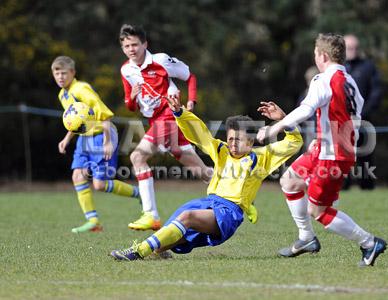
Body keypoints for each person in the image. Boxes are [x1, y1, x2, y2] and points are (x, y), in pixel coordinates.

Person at [109, 93, 303, 260]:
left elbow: (294, 142)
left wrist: (283, 119)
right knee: (164, 240)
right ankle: (157, 251)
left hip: (229, 212)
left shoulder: (261, 158)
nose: (233, 144)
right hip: (208, 203)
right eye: (230, 139)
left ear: (251, 141)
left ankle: (137, 252)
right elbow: (200, 134)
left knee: (187, 216)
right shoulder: (222, 150)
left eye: (239, 140)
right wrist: (180, 113)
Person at [257, 33, 386, 267]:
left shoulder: (323, 79)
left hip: (332, 154)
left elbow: (306, 109)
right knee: (289, 181)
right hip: (332, 148)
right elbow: (354, 113)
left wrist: (273, 128)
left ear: (323, 56)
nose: (315, 57)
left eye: (315, 53)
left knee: (319, 211)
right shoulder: (349, 80)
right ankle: (306, 238)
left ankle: (369, 243)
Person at [119, 24, 212, 232]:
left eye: (135, 44)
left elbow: (190, 76)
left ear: (145, 44)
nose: (131, 49)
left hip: (169, 115)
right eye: (126, 46)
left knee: (137, 157)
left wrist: (191, 102)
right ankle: (238, 196)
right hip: (155, 120)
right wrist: (132, 98)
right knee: (199, 170)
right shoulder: (126, 70)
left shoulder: (160, 60)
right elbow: (130, 105)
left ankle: (150, 214)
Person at [52, 56, 140, 233]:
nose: (60, 77)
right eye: (56, 73)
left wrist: (107, 142)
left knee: (100, 185)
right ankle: (93, 221)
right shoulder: (63, 94)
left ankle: (140, 193)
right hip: (84, 138)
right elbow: (77, 121)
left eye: (64, 73)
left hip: (101, 136)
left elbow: (105, 114)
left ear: (73, 73)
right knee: (77, 176)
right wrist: (66, 139)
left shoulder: (81, 89)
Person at [343, 34, 383, 190]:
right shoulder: (338, 68)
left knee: (365, 157)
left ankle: (367, 188)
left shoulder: (368, 67)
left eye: (355, 47)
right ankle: (341, 188)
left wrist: (361, 115)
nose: (353, 51)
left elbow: (376, 93)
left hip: (364, 121)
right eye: (349, 48)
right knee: (341, 156)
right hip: (341, 122)